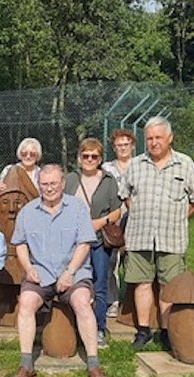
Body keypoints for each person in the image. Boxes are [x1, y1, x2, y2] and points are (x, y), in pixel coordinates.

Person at [10, 164, 107, 377]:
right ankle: (26, 365)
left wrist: (70, 272)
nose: (49, 188)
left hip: (73, 272)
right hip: (40, 273)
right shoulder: (28, 211)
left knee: (82, 302)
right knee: (25, 302)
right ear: (39, 185)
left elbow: (84, 243)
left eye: (53, 183)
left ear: (63, 183)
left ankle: (94, 365)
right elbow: (20, 244)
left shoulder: (78, 208)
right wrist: (28, 268)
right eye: (44, 184)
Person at [119, 116, 194, 351]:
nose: (154, 142)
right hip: (140, 236)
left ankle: (167, 331)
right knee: (142, 283)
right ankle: (143, 330)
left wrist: (178, 217)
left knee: (170, 285)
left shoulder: (185, 164)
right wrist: (136, 212)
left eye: (158, 137)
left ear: (170, 138)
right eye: (150, 138)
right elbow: (125, 194)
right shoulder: (136, 164)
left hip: (172, 237)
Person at [64, 138, 121, 348]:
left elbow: (117, 210)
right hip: (72, 242)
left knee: (99, 284)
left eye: (94, 156)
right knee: (73, 282)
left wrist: (100, 222)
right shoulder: (70, 179)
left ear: (100, 158)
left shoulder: (108, 180)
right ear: (79, 158)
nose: (89, 159)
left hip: (98, 240)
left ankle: (98, 328)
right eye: (86, 155)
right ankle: (72, 327)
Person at [102, 129, 135, 318]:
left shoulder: (140, 164)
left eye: (126, 144)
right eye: (119, 145)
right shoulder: (107, 168)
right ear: (114, 148)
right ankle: (112, 301)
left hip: (136, 217)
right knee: (112, 261)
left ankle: (132, 303)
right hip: (113, 218)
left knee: (133, 260)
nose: (122, 148)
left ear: (132, 146)